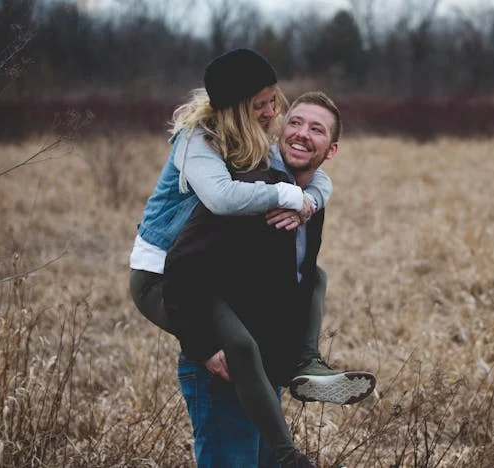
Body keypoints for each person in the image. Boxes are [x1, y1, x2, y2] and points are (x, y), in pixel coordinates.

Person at [127, 49, 374, 466]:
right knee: (236, 346)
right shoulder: (198, 141)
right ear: (236, 108)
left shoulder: (254, 143)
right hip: (163, 271)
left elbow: (312, 174)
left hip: (203, 278)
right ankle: (288, 454)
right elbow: (223, 199)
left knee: (314, 277)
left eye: (273, 101)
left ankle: (305, 361)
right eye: (259, 105)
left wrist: (307, 201)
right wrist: (287, 195)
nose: (270, 112)